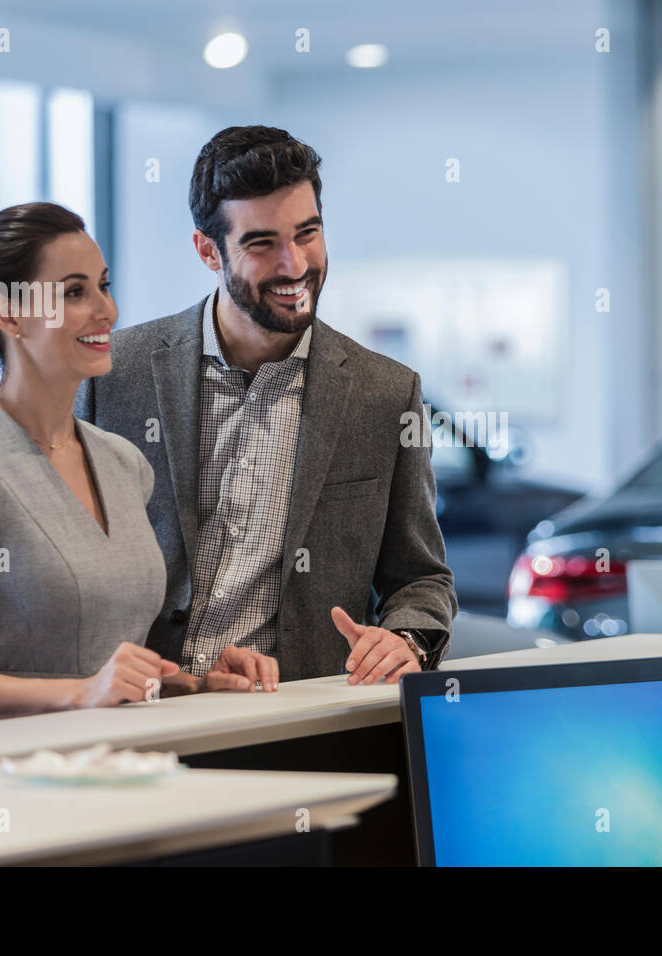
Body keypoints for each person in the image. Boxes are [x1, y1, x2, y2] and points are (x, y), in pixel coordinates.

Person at [76, 126, 456, 688]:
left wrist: (405, 640)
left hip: (301, 724)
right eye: (262, 244)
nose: (294, 264)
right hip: (141, 718)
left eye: (308, 233)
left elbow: (422, 578)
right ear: (209, 251)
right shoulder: (115, 376)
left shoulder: (385, 394)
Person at [0, 201, 201, 726]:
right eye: (74, 292)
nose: (106, 310)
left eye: (104, 285)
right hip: (4, 785)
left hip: (118, 773)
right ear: (9, 313)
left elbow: (108, 664)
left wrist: (199, 683)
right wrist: (81, 694)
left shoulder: (123, 463)